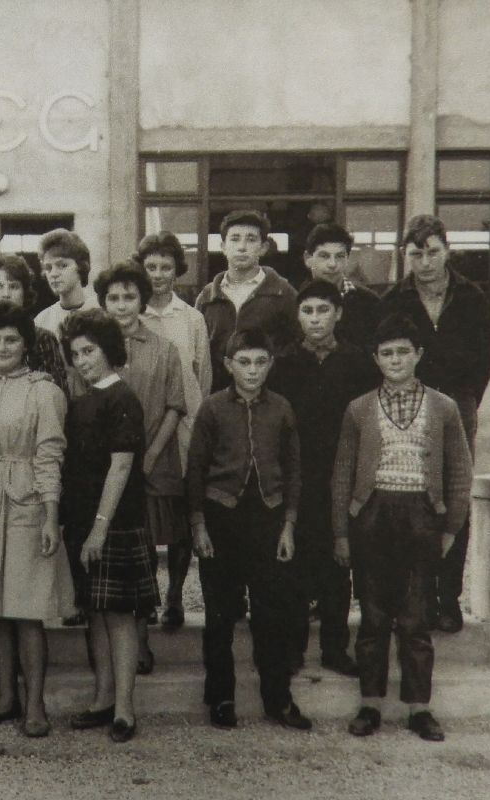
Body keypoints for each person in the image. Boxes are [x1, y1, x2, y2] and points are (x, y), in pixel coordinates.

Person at [333, 315, 473, 742]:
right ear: (376, 359)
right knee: (373, 616)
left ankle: (419, 708)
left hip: (420, 516)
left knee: (415, 617)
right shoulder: (358, 409)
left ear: (418, 355)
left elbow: (459, 472)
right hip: (372, 515)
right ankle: (370, 704)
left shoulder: (444, 407)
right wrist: (341, 530)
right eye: (387, 353)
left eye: (403, 352)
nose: (395, 360)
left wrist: (450, 526)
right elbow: (342, 473)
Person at [187, 328, 310, 732]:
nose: (252, 370)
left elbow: (294, 472)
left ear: (271, 363)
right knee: (220, 615)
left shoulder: (282, 409)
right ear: (227, 365)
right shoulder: (211, 409)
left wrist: (289, 525)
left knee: (271, 614)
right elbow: (195, 473)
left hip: (269, 518)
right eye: (243, 362)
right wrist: (199, 526)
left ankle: (278, 698)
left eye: (260, 361)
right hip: (222, 517)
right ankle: (221, 697)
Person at [0, 301, 72, 738]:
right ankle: (6, 697)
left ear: (26, 345)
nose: (2, 347)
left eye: (11, 339)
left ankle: (36, 705)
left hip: (28, 498)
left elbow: (50, 456)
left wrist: (50, 515)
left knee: (27, 610)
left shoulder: (45, 391)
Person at [380, 214, 490, 634]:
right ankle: (420, 597)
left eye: (432, 252)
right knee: (416, 496)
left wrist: (463, 404)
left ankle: (449, 598)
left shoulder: (471, 296)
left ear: (446, 250)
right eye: (416, 253)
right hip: (412, 407)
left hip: (458, 405)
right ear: (405, 255)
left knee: (454, 498)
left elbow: (485, 359)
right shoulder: (395, 299)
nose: (425, 262)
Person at [268, 280, 379, 677]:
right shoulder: (283, 363)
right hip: (297, 475)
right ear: (298, 316)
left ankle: (335, 647)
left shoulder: (358, 363)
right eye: (308, 311)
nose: (315, 319)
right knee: (294, 561)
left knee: (338, 560)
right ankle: (293, 648)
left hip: (341, 474)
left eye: (323, 310)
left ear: (339, 314)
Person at [59, 309, 155, 744]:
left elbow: (120, 469)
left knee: (118, 614)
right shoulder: (81, 401)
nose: (82, 360)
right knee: (94, 613)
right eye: (76, 353)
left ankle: (124, 709)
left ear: (109, 350)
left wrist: (99, 528)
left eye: (90, 350)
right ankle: (101, 699)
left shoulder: (123, 400)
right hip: (83, 520)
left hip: (114, 521)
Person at [92, 262, 185, 673]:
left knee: (144, 553)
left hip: (150, 464)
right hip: (105, 468)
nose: (121, 304)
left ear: (142, 300)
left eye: (129, 296)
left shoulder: (164, 348)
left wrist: (148, 456)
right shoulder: (91, 350)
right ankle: (108, 637)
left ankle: (142, 636)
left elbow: (174, 406)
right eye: (113, 297)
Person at [134, 233, 211, 631]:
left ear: (177, 270)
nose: (159, 275)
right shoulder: (131, 314)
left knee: (181, 515)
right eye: (151, 267)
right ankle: (147, 595)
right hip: (148, 429)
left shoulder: (192, 318)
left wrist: (198, 427)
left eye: (166, 267)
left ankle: (177, 595)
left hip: (184, 430)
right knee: (146, 516)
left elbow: (203, 377)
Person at [195, 210, 298, 392]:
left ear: (263, 247)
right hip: (218, 398)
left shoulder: (284, 293)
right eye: (235, 239)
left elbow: (296, 346)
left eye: (251, 239)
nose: (242, 247)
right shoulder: (207, 297)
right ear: (223, 246)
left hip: (269, 398)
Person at [0, 253, 69, 392]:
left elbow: (58, 392)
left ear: (24, 292)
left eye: (13, 286)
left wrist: (49, 381)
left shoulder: (42, 338)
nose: (6, 293)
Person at [301, 223, 382, 354]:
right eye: (324, 256)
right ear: (308, 259)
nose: (332, 264)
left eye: (339, 256)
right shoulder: (295, 301)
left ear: (347, 259)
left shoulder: (370, 303)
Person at [33, 229, 99, 338]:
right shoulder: (42, 321)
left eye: (62, 266)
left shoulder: (102, 312)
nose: (53, 274)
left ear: (81, 266)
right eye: (48, 268)